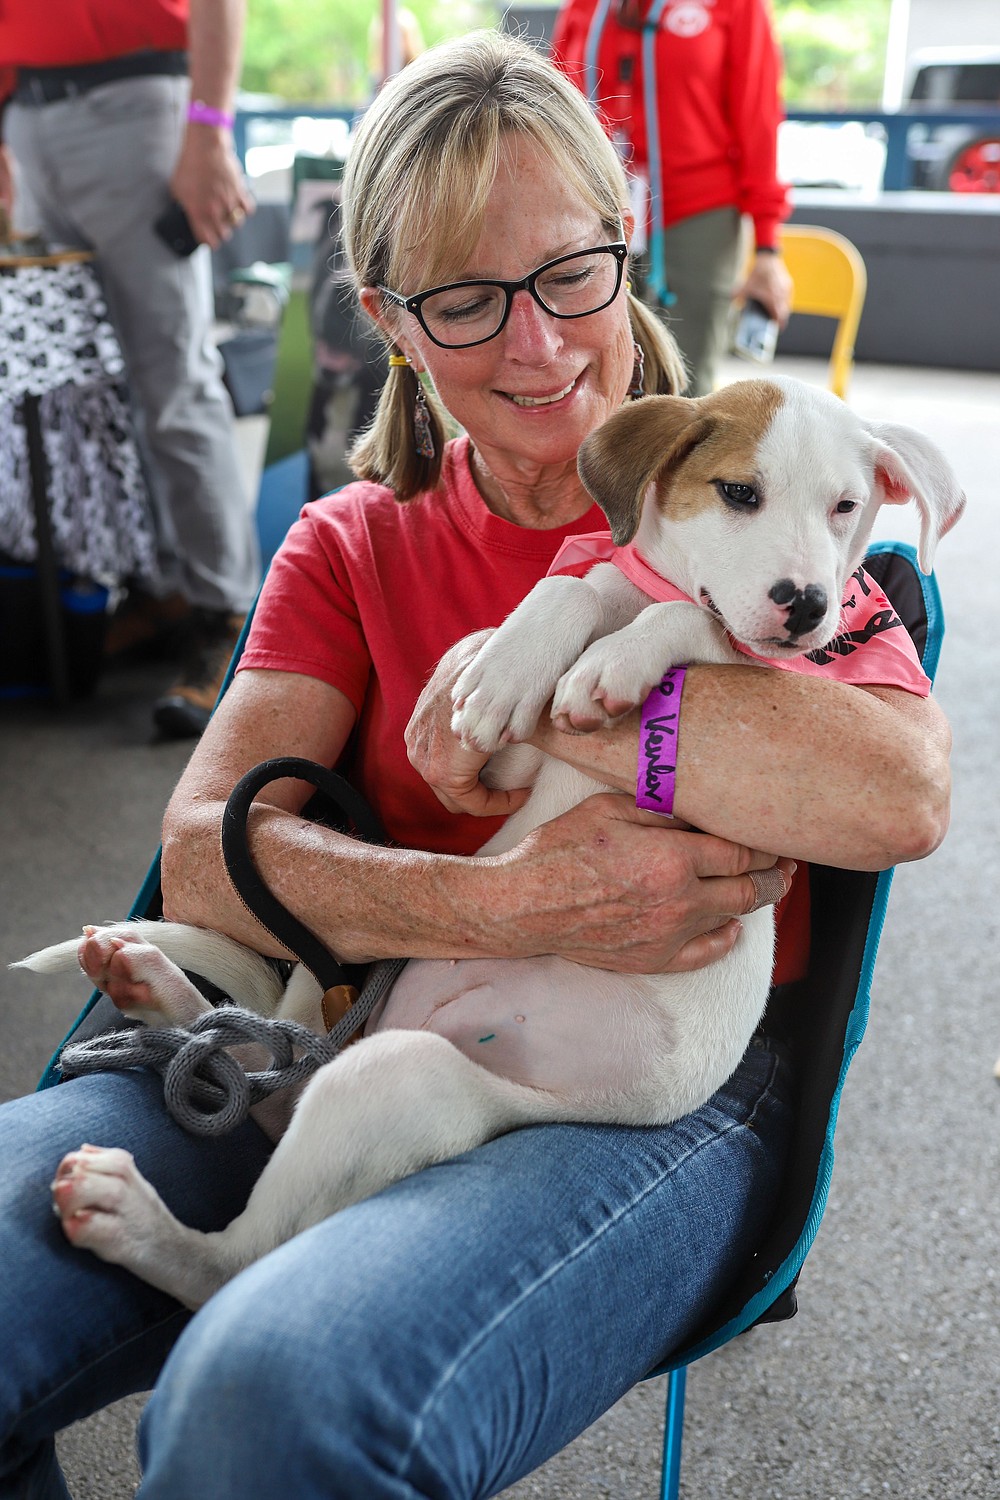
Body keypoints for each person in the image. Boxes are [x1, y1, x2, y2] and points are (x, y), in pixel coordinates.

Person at [0, 30, 952, 1499]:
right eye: (464, 296)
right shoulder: (352, 540)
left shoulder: (776, 528)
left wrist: (562, 702)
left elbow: (899, 794)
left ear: (628, 262)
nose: (539, 341)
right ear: (388, 317)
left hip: (660, 1089)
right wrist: (503, 909)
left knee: (274, 1400)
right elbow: (206, 856)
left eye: (574, 273)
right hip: (380, 1021)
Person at [0, 0, 261, 738]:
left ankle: (227, 617)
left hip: (136, 108)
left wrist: (209, 132)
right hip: (28, 121)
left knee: (172, 382)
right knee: (90, 398)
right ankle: (165, 589)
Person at [550, 0, 795, 396]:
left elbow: (759, 120)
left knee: (685, 392)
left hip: (697, 215)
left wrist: (767, 247)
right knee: (595, 384)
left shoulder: (737, 7)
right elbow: (554, 109)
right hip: (596, 211)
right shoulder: (585, 6)